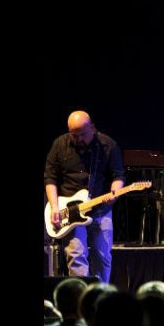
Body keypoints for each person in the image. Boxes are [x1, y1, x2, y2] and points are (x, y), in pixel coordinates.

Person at [45, 110, 125, 283]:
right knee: (76, 255)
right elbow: (50, 177)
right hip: (70, 210)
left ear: (92, 128)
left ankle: (101, 296)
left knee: (102, 256)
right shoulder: (60, 144)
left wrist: (114, 193)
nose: (79, 139)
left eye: (83, 134)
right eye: (74, 135)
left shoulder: (107, 145)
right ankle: (80, 299)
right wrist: (54, 207)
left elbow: (118, 175)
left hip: (100, 208)